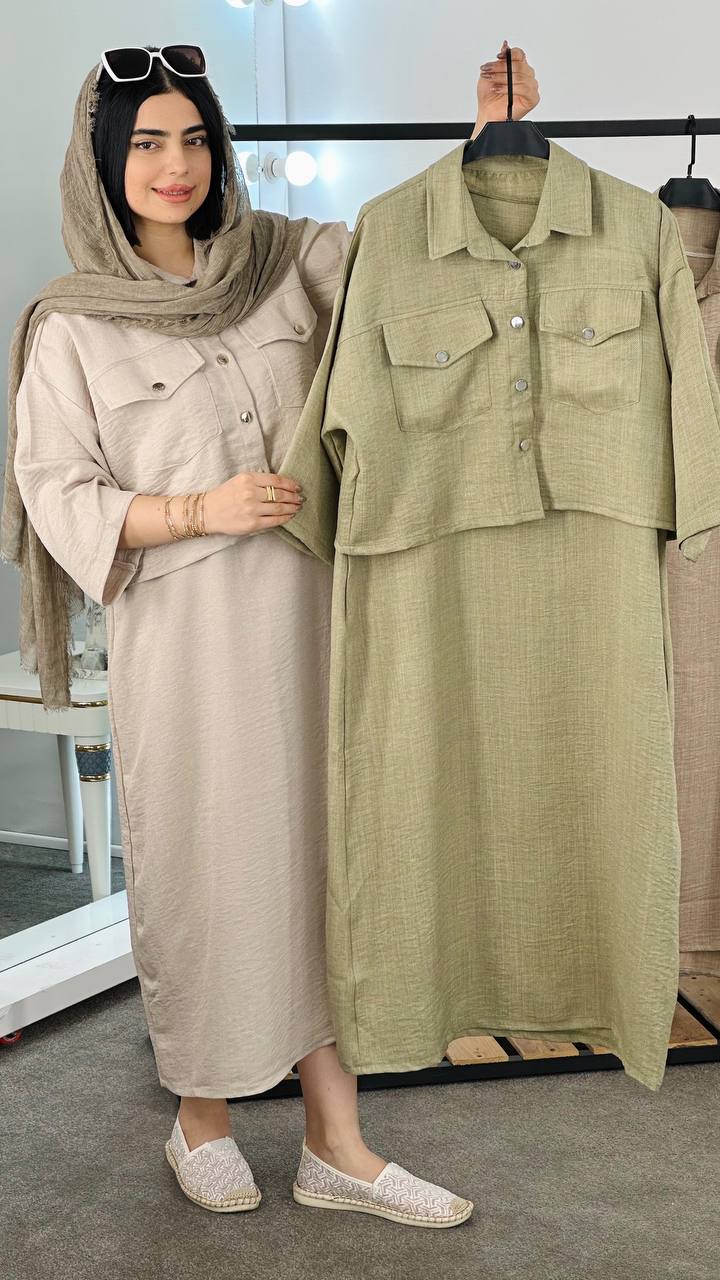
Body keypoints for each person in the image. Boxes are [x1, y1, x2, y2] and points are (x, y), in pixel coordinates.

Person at [3, 40, 538, 1224]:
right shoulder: (71, 327)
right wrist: (204, 508)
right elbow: (59, 493)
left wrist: (485, 137)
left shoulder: (287, 261)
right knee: (213, 868)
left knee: (330, 866)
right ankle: (200, 1117)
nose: (177, 165)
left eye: (195, 138)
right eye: (149, 142)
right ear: (103, 161)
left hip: (320, 626)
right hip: (188, 647)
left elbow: (409, 267)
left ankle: (336, 1140)